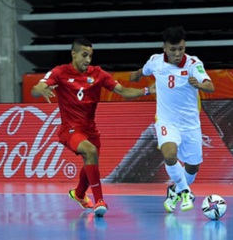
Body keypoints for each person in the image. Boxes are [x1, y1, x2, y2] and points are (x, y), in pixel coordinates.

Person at [31, 37, 151, 217]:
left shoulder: (98, 74)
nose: (88, 60)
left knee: (90, 163)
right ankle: (99, 201)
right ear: (73, 53)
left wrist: (148, 91)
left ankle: (79, 194)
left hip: (90, 130)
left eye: (90, 56)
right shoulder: (60, 72)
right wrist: (39, 90)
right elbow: (36, 88)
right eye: (84, 55)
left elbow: (124, 91)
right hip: (70, 129)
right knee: (91, 152)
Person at [129, 26, 215, 212]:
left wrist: (200, 84)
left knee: (193, 167)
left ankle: (175, 191)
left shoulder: (193, 64)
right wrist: (134, 76)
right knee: (169, 155)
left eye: (181, 49)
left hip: (190, 124)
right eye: (173, 49)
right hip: (166, 121)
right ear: (164, 48)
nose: (177, 54)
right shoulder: (155, 62)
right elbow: (140, 72)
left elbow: (210, 86)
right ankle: (185, 192)